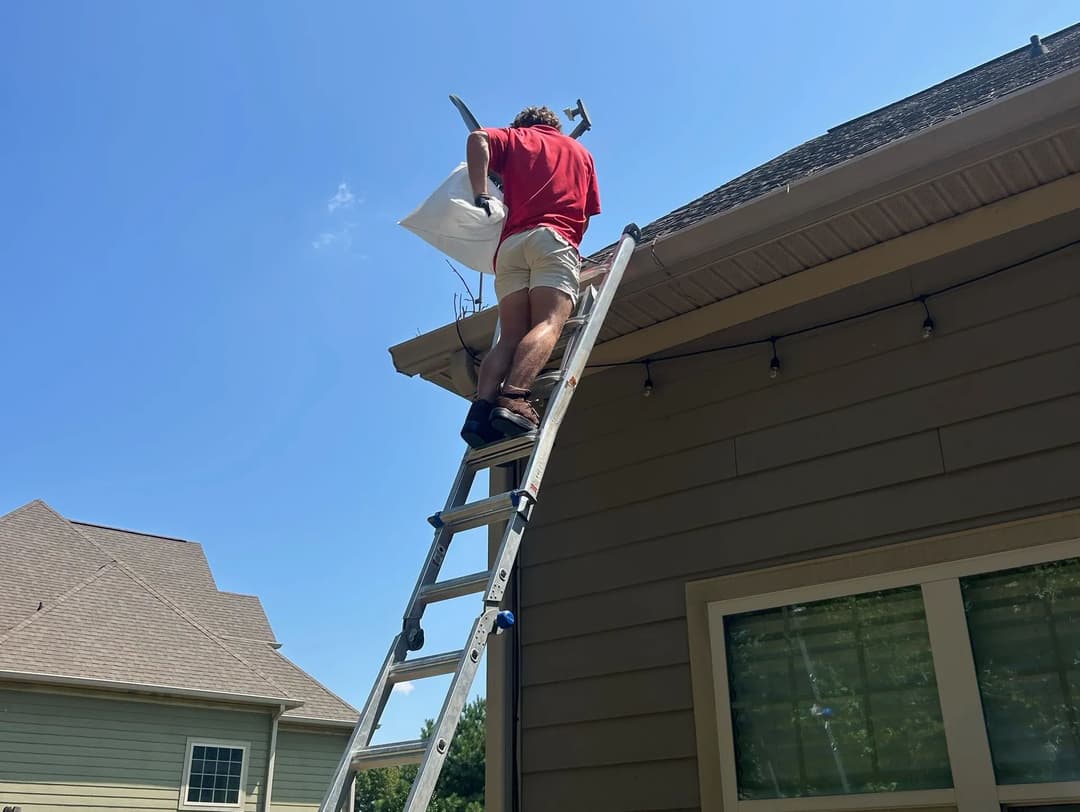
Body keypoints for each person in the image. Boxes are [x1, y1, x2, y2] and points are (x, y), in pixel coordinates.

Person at [459, 105, 601, 448]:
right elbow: (585, 215)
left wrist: (482, 193)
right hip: (554, 238)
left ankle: (480, 411)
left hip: (510, 247)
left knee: (509, 336)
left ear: (523, 124)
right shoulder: (581, 154)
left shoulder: (516, 139)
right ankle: (514, 398)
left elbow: (478, 137)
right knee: (550, 322)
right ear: (553, 124)